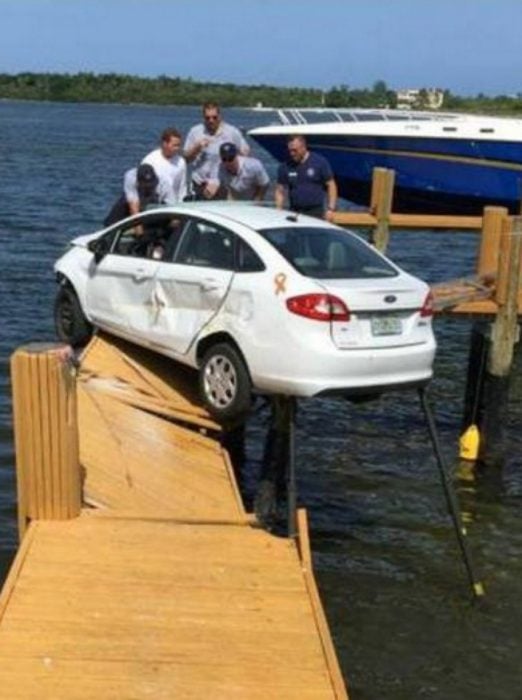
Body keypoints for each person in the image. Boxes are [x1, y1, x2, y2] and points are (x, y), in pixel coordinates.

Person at [184, 102, 250, 200]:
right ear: (203, 117)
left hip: (223, 186)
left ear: (220, 116)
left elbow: (245, 155)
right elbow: (186, 159)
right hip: (200, 184)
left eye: (214, 117)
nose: (211, 120)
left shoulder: (231, 132)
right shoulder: (195, 131)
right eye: (207, 118)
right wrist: (197, 147)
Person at [275, 135, 338, 221]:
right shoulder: (285, 166)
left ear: (303, 147)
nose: (292, 153)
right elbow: (280, 190)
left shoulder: (319, 162)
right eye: (290, 150)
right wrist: (279, 210)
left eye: (295, 150)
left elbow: (331, 185)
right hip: (294, 212)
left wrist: (331, 209)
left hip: (316, 212)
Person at [142, 127, 187, 203]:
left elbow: (182, 188)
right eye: (174, 145)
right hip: (154, 204)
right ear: (165, 144)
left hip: (173, 205)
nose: (177, 148)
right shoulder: (149, 161)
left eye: (179, 145)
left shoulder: (181, 162)